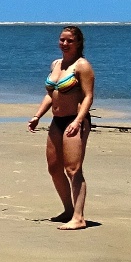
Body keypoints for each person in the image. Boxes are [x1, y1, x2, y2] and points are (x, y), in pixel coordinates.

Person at [26, 26, 94, 230]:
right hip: (57, 121)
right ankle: (67, 210)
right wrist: (38, 115)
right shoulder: (56, 64)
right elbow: (50, 94)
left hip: (75, 120)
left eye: (70, 41)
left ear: (78, 43)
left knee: (73, 169)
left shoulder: (82, 66)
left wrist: (78, 121)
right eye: (62, 40)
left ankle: (79, 217)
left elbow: (88, 96)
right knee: (54, 168)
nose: (65, 44)